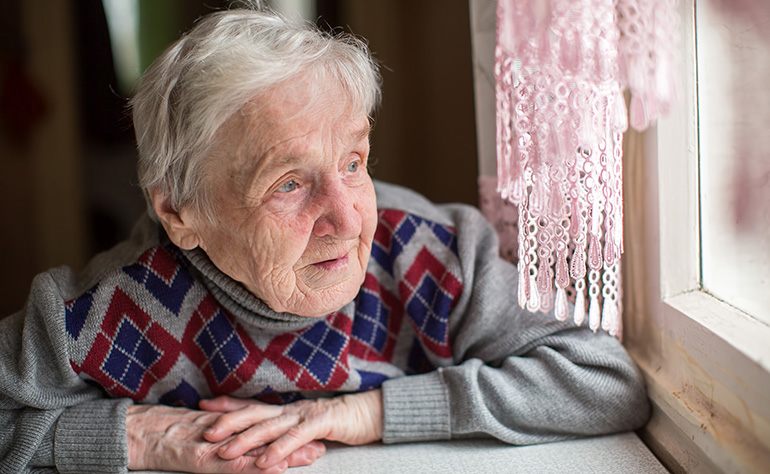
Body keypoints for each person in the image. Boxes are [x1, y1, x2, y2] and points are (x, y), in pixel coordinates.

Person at [0, 5, 649, 474]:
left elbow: (602, 380)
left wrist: (367, 414)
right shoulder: (103, 314)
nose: (347, 216)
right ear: (179, 213)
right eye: (288, 183)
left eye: (352, 162)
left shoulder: (434, 254)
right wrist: (137, 439)